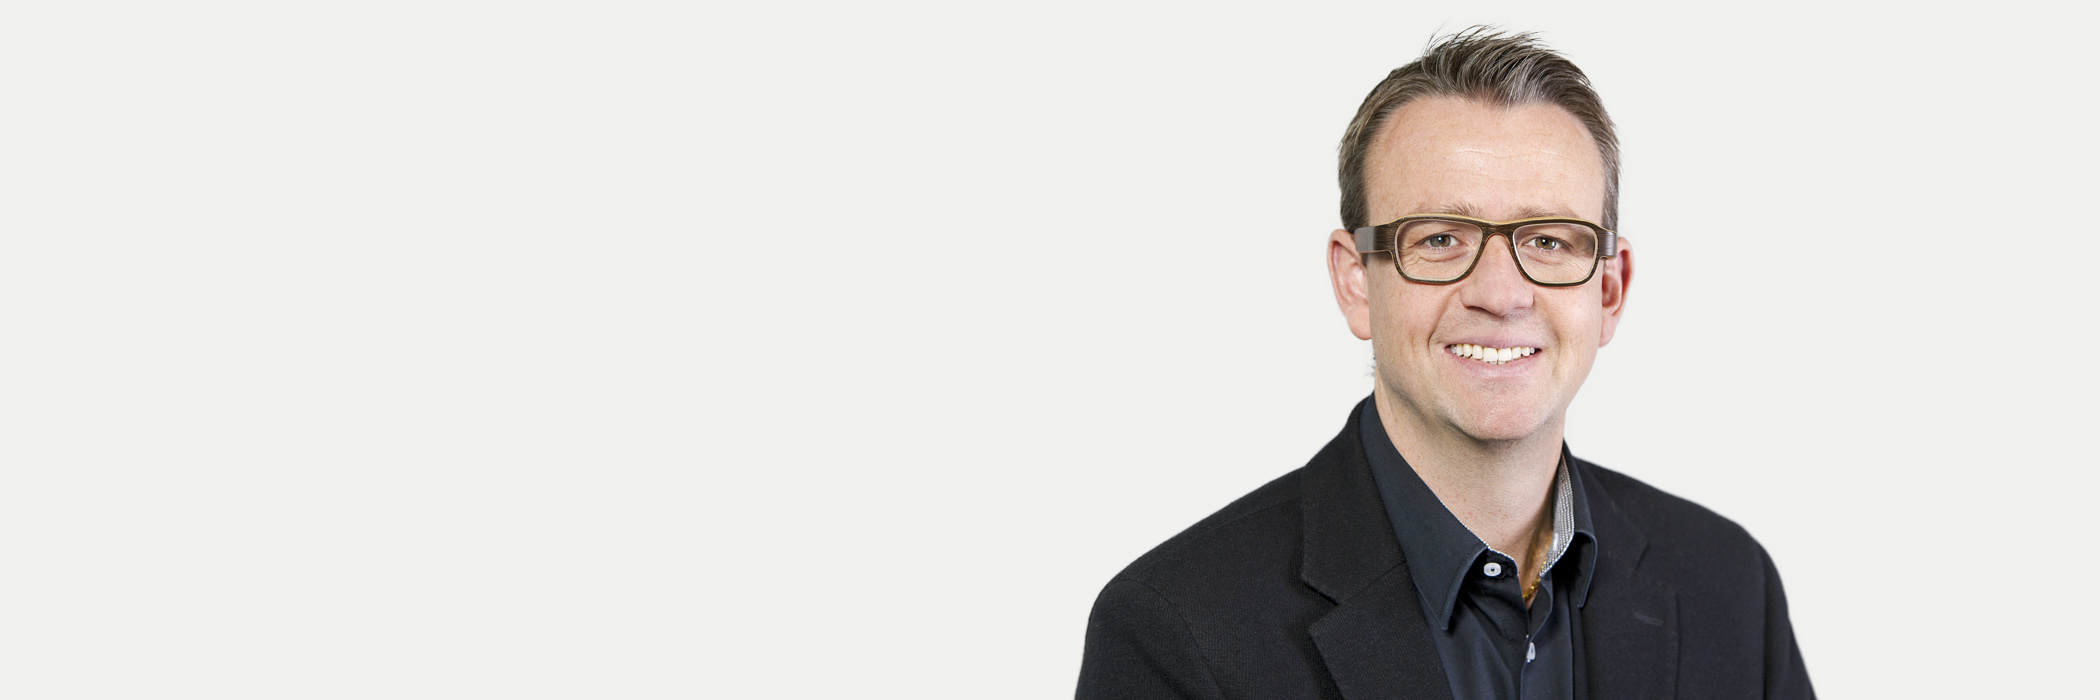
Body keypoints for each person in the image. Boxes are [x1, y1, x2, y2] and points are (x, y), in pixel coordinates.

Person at [1076, 29, 1813, 700]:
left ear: (1610, 291)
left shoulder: (1729, 586)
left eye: (1549, 241)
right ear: (1356, 282)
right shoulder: (1176, 632)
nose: (1500, 293)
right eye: (1439, 239)